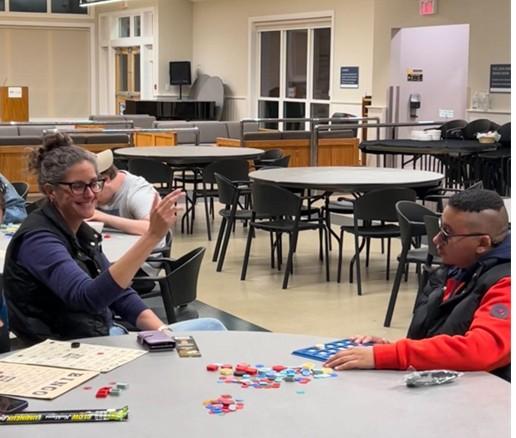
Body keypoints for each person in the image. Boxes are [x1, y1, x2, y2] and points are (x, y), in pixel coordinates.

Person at [3, 132, 225, 344]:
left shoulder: (81, 231)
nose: (90, 194)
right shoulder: (38, 240)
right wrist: (152, 236)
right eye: (77, 187)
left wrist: (163, 332)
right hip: (71, 349)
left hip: (102, 333)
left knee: (212, 327)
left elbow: (121, 295)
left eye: (94, 183)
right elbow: (87, 298)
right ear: (51, 191)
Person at [324, 189, 510, 381]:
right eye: (440, 228)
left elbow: (480, 351)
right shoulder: (453, 270)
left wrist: (393, 354)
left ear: (482, 242)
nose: (436, 239)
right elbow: (436, 336)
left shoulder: (506, 284)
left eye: (447, 233)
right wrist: (388, 348)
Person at [89, 149, 156, 236]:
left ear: (106, 179)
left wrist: (101, 217)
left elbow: (153, 228)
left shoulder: (137, 191)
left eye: (92, 186)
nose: (89, 194)